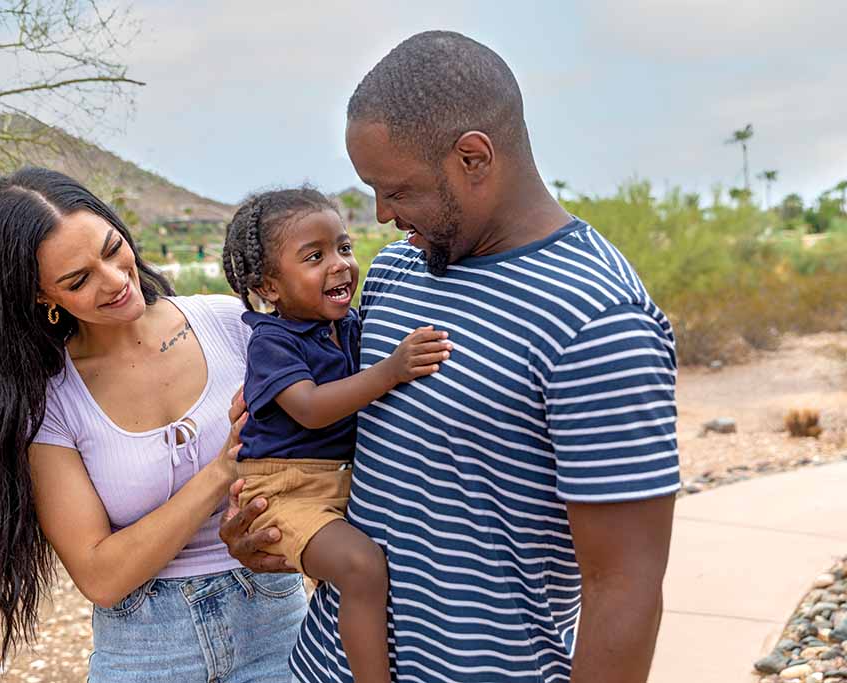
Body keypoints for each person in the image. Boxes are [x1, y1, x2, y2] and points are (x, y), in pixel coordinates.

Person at [221, 31, 679, 683]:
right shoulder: (396, 272)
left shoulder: (596, 319)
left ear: (473, 157)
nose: (381, 215)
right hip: (323, 664)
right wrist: (273, 530)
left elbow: (625, 586)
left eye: (397, 189)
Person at [0, 167, 306, 682]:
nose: (115, 280)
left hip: (277, 628)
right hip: (147, 650)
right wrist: (221, 471)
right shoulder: (52, 401)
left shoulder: (234, 327)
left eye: (111, 249)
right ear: (42, 297)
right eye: (77, 280)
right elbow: (101, 575)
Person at [220, 187, 452, 683]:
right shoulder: (272, 341)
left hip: (336, 480)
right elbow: (310, 410)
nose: (340, 264)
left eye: (343, 248)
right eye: (314, 256)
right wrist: (392, 370)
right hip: (283, 490)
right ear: (270, 286)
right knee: (362, 568)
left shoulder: (348, 326)